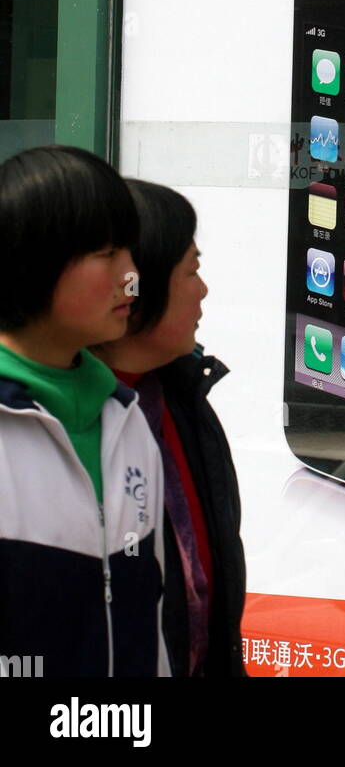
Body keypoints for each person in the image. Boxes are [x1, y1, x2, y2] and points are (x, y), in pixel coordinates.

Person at [0, 145, 168, 677]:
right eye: (107, 253)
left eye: (130, 252)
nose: (132, 277)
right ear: (34, 259)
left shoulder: (126, 419)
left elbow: (150, 621)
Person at [94, 180, 246, 677]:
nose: (203, 290)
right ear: (141, 285)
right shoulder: (65, 427)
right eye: (192, 271)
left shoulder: (183, 398)